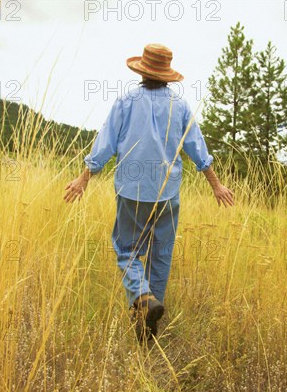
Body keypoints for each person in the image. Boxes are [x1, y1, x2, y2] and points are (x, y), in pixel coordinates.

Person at [63, 43, 234, 343]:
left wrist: (83, 178)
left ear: (141, 71)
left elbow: (105, 146)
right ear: (166, 75)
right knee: (161, 254)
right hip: (167, 193)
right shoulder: (179, 106)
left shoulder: (126, 101)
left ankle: (143, 298)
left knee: (127, 250)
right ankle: (148, 323)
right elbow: (197, 148)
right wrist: (216, 184)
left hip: (131, 192)